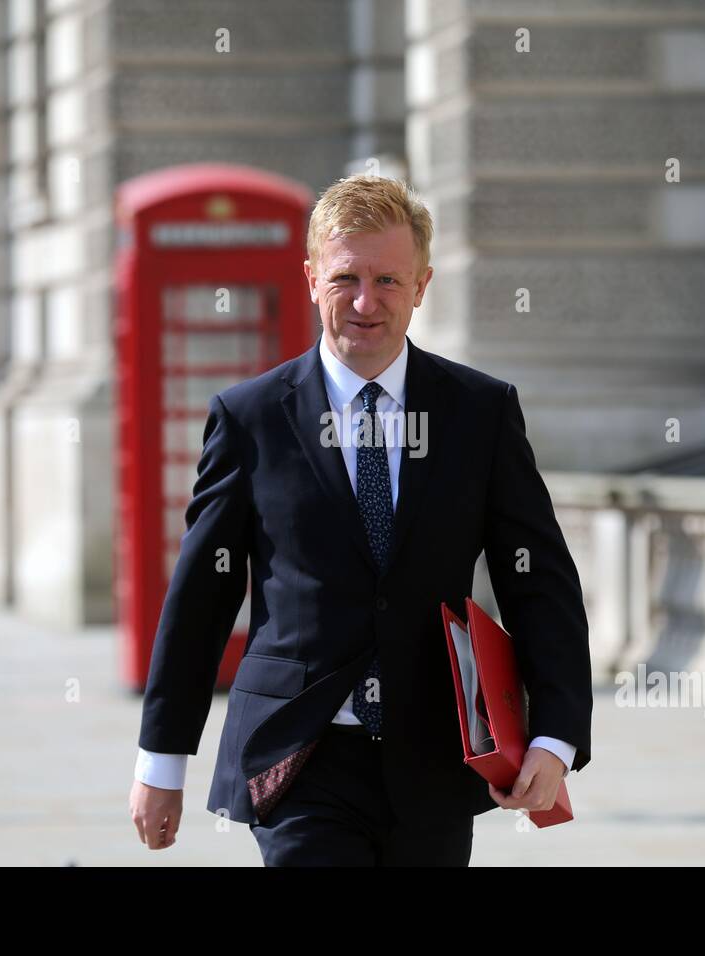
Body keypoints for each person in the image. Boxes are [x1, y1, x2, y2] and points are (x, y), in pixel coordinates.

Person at [129, 174, 592, 866]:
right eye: (346, 278)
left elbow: (540, 580)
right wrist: (162, 761)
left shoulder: (479, 412)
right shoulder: (250, 417)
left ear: (423, 285)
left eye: (388, 281)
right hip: (298, 757)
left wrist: (555, 736)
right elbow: (202, 596)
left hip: (433, 757)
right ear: (312, 278)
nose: (365, 303)